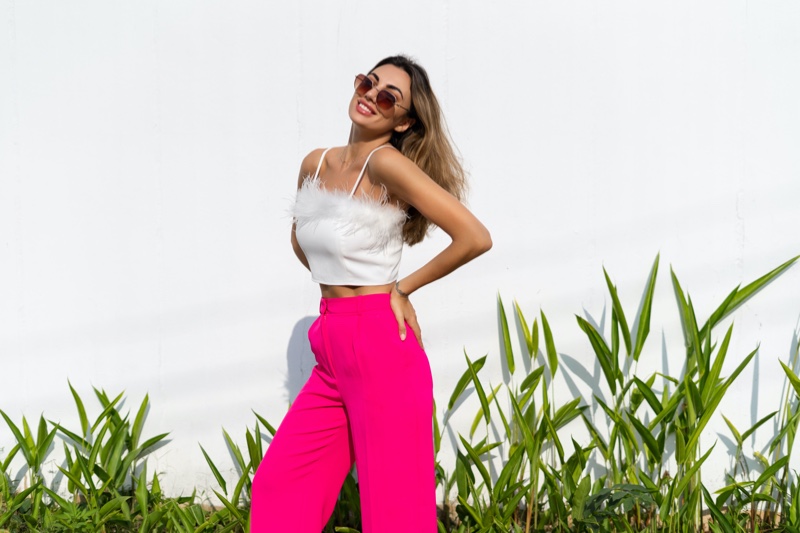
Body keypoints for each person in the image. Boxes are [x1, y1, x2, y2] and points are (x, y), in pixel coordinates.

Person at [250, 55, 492, 533]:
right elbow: (304, 242)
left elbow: (474, 236)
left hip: (381, 343)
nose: (370, 96)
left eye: (388, 97)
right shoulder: (315, 163)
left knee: (394, 513)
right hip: (331, 344)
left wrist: (401, 289)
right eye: (368, 81)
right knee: (281, 487)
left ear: (402, 121)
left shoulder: (387, 164)